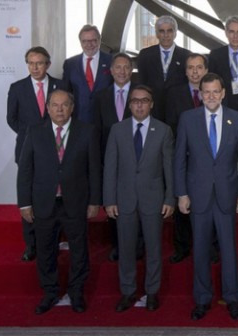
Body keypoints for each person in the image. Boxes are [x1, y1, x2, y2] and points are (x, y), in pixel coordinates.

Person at [17, 89, 101, 314]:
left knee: (79, 250)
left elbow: (94, 169)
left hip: (76, 202)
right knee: (45, 250)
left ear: (72, 107)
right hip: (44, 202)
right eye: (55, 105)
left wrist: (95, 201)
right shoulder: (34, 132)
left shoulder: (87, 131)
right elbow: (25, 170)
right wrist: (25, 204)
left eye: (65, 105)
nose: (60, 109)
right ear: (48, 107)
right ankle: (50, 293)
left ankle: (76, 293)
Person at [174, 73, 238, 321]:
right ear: (199, 94)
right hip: (198, 196)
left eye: (215, 91)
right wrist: (182, 193)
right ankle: (202, 299)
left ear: (223, 93)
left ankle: (233, 298)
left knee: (229, 250)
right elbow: (179, 160)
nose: (210, 96)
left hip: (228, 195)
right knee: (200, 250)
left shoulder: (237, 119)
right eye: (205, 92)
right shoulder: (188, 119)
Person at [103, 85, 175, 313]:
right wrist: (109, 199)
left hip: (153, 200)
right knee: (125, 249)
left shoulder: (163, 130)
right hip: (124, 200)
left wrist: (169, 198)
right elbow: (110, 168)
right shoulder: (117, 130)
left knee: (154, 249)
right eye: (135, 101)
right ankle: (128, 292)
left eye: (144, 100)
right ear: (129, 104)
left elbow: (169, 169)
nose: (140, 104)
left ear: (151, 104)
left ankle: (152, 292)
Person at [7, 46, 64, 262]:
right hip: (27, 150)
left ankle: (54, 241)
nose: (35, 67)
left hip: (58, 149)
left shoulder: (61, 85)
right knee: (28, 197)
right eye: (31, 63)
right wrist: (33, 138)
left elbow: (65, 114)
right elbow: (11, 118)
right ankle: (31, 245)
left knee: (55, 196)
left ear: (48, 64)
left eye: (39, 63)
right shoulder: (17, 87)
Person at [92, 52, 143, 262]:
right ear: (111, 71)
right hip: (110, 162)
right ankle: (118, 245)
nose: (122, 71)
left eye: (126, 67)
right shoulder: (100, 97)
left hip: (138, 160)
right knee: (114, 205)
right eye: (118, 68)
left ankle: (138, 246)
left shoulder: (141, 95)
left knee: (138, 205)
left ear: (131, 70)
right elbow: (96, 132)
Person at [163, 52, 208, 265]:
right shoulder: (174, 93)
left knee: (208, 204)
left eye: (199, 67)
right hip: (184, 157)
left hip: (210, 158)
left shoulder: (212, 92)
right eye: (191, 67)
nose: (195, 71)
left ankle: (210, 247)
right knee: (182, 204)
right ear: (186, 70)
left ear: (206, 70)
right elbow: (170, 126)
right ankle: (182, 247)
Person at [136, 15, 191, 122]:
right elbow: (142, 83)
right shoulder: (145, 55)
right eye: (162, 31)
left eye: (170, 31)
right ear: (156, 33)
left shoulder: (186, 56)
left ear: (175, 33)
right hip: (153, 110)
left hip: (179, 110)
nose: (166, 35)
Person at [62, 24, 113, 124]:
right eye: (85, 41)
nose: (89, 44)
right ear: (80, 42)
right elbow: (66, 92)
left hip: (106, 119)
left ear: (99, 40)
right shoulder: (70, 64)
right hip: (79, 118)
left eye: (93, 40)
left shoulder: (111, 61)